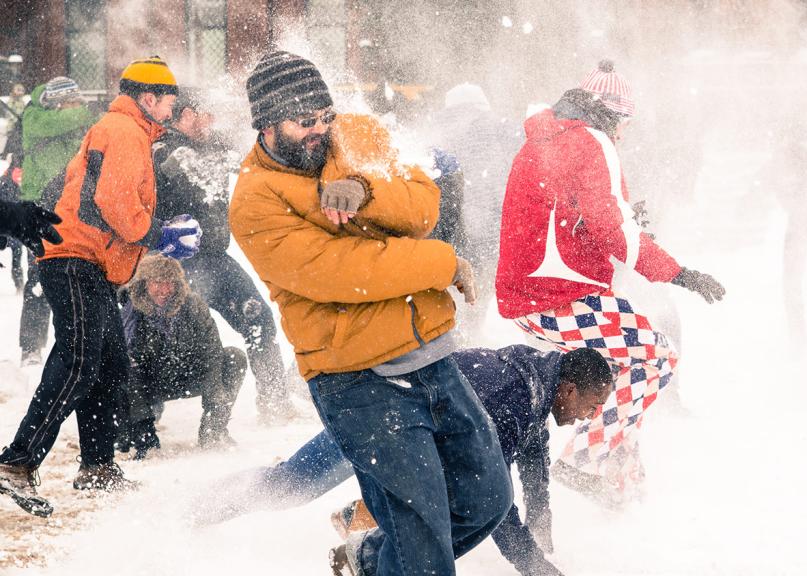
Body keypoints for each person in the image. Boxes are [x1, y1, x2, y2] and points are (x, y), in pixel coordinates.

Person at [229, 51, 511, 575]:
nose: (320, 129)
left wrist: (365, 191)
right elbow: (342, 273)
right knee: (422, 547)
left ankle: (370, 558)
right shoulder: (254, 200)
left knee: (486, 501)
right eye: (304, 121)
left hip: (431, 356)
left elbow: (424, 204)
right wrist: (442, 263)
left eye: (324, 116)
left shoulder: (357, 133)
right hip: (357, 380)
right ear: (267, 124)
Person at [496, 60, 725, 504]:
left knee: (623, 372)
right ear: (611, 113)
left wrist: (619, 220)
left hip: (532, 294)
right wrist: (680, 273)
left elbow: (561, 214)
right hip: (560, 297)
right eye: (624, 122)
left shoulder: (549, 137)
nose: (623, 133)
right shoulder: (591, 140)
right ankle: (582, 462)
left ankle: (621, 488)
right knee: (657, 358)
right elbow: (609, 228)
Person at [189, 346, 612, 576]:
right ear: (569, 390)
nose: (590, 416)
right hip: (376, 416)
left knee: (436, 502)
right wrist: (535, 568)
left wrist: (541, 522)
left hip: (408, 428)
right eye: (593, 405)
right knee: (293, 484)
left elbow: (534, 458)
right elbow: (493, 501)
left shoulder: (536, 384)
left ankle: (362, 544)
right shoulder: (514, 397)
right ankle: (200, 509)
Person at [0, 56, 200, 518]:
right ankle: (17, 462)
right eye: (169, 101)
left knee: (109, 364)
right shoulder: (125, 130)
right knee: (79, 360)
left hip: (89, 261)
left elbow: (111, 198)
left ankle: (98, 466)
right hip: (73, 257)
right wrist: (158, 235)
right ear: (148, 98)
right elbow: (113, 201)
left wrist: (153, 231)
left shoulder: (129, 131)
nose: (172, 110)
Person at [152, 87, 297, 423]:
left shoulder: (214, 144)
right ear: (187, 114)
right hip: (175, 264)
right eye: (207, 113)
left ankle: (275, 403)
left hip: (216, 258)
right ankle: (144, 413)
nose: (212, 121)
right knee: (168, 337)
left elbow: (253, 160)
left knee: (258, 318)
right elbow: (161, 174)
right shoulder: (164, 147)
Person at [118, 254, 246, 459]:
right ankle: (141, 434)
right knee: (121, 369)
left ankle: (213, 431)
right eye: (157, 282)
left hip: (188, 375)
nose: (164, 290)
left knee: (234, 357)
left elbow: (212, 354)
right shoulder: (129, 312)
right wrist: (141, 426)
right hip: (149, 384)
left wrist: (216, 409)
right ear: (144, 284)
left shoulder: (193, 305)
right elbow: (125, 366)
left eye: (170, 283)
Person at [425, 84, 520, 339]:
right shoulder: (503, 133)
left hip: (457, 235)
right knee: (478, 299)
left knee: (456, 304)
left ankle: (460, 342)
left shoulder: (445, 137)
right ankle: (472, 340)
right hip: (493, 233)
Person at [19, 76, 97, 366]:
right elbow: (56, 125)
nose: (76, 108)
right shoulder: (35, 116)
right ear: (57, 103)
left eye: (78, 103)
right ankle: (31, 347)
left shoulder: (76, 122)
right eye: (71, 103)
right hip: (39, 207)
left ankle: (74, 345)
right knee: (38, 277)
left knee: (75, 276)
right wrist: (86, 112)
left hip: (72, 207)